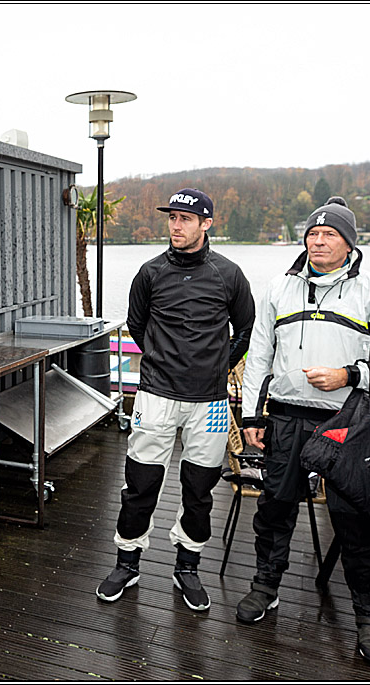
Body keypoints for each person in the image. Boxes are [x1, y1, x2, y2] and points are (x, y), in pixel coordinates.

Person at [237, 197, 370, 666]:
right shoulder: (279, 286)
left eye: (329, 234)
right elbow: (259, 356)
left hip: (349, 423)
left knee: (357, 520)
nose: (318, 241)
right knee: (275, 508)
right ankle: (266, 586)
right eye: (312, 234)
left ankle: (369, 616)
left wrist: (350, 374)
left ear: (348, 242)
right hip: (286, 415)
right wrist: (253, 418)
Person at [95, 188, 255, 612]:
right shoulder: (149, 273)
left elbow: (244, 329)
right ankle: (127, 562)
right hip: (155, 396)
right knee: (141, 484)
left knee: (200, 489)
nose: (176, 226)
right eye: (172, 218)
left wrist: (217, 366)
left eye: (186, 219)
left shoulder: (230, 274)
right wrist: (166, 363)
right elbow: (137, 325)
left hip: (211, 403)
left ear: (206, 223)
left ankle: (187, 566)